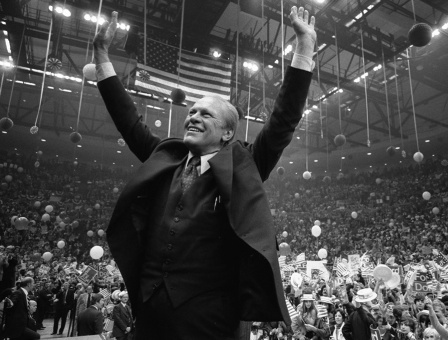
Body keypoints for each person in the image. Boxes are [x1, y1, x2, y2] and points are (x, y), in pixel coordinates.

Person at [92, 5, 316, 340]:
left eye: (205, 115)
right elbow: (127, 118)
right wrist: (101, 53)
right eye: (192, 111)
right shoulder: (164, 158)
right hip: (150, 306)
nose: (193, 117)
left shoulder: (245, 166)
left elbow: (283, 121)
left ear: (228, 133)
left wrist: (304, 47)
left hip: (210, 315)